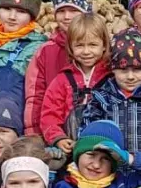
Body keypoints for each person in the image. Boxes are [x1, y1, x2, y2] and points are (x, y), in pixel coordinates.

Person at [76, 31, 141, 188]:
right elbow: (86, 137)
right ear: (113, 70)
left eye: (137, 70)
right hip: (108, 178)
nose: (130, 76)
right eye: (123, 70)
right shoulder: (101, 99)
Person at [23, 0, 94, 135]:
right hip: (52, 132)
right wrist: (33, 133)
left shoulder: (99, 48)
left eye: (73, 10)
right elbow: (35, 97)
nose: (67, 16)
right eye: (61, 11)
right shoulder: (46, 51)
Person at [37, 14, 110, 153]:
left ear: (104, 46)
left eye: (93, 45)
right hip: (70, 149)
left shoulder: (111, 78)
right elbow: (49, 115)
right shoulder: (62, 80)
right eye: (80, 46)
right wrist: (58, 138)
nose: (86, 51)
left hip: (104, 148)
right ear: (70, 47)